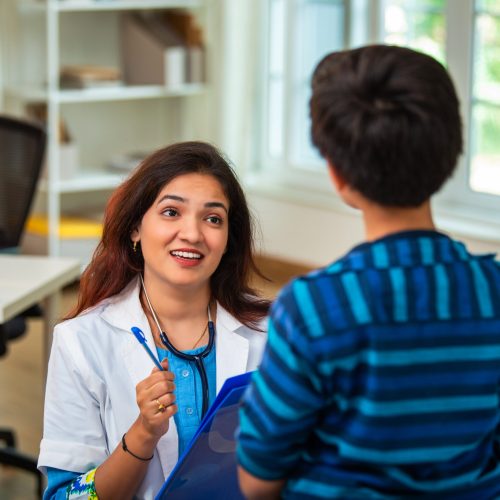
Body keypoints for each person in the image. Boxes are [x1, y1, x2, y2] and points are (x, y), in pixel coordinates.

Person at [237, 45, 500, 499]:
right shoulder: (492, 291)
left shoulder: (314, 308)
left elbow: (258, 480)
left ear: (338, 176)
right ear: (451, 154)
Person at [38, 141, 270, 499]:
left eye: (213, 218)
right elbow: (65, 497)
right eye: (171, 212)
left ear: (228, 240)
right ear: (135, 228)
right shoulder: (80, 341)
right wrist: (144, 433)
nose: (192, 234)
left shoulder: (270, 332)